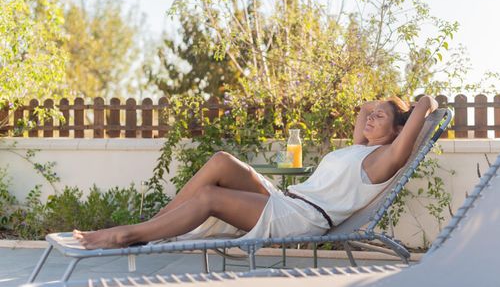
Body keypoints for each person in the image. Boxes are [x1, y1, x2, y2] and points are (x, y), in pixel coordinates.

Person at [74, 95, 438, 249]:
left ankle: (127, 236)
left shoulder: (382, 160)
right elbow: (363, 109)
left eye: (381, 118)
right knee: (221, 160)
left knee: (210, 198)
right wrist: (383, 107)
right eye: (371, 117)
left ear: (396, 132)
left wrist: (421, 106)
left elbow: (422, 111)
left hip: (304, 218)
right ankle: (154, 225)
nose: (370, 119)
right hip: (288, 201)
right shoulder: (360, 148)